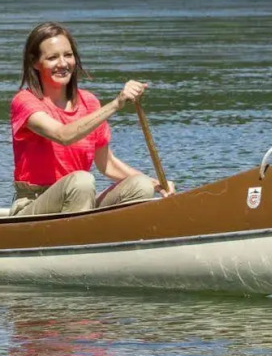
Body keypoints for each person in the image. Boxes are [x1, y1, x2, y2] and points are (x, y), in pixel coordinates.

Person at [9, 21, 174, 216]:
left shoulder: (89, 102)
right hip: (33, 204)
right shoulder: (24, 101)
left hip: (79, 198)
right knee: (82, 181)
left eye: (68, 55)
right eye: (52, 57)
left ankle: (105, 231)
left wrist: (156, 184)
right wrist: (116, 104)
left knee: (141, 185)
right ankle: (76, 233)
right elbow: (63, 135)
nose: (63, 64)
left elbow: (107, 164)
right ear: (35, 62)